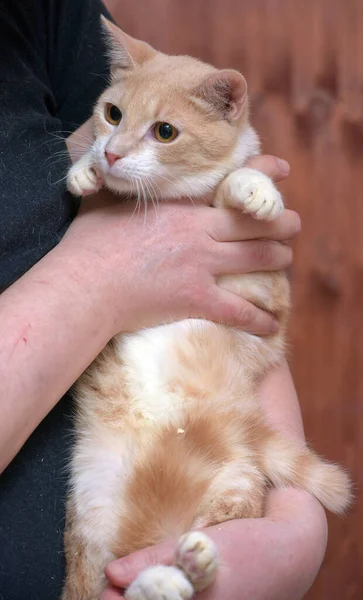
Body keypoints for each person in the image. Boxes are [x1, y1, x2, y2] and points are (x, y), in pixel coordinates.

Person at [0, 1, 327, 599]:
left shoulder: (46, 15)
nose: (117, 149)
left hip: (195, 444)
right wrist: (100, 277)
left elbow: (244, 317)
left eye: (161, 132)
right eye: (113, 116)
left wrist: (296, 526)